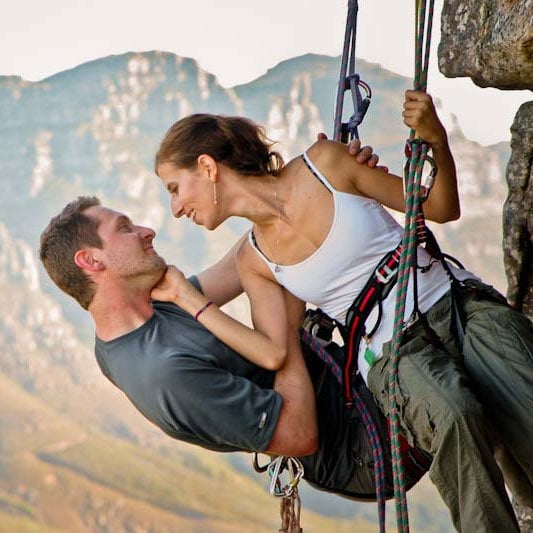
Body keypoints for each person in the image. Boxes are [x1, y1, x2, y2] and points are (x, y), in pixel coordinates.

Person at [154, 90, 533, 531]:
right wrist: (189, 301)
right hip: (394, 354)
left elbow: (441, 207)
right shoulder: (255, 263)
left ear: (206, 166)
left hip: (456, 302)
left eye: (175, 189)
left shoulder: (327, 163)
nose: (176, 208)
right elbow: (276, 353)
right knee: (452, 417)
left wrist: (436, 141)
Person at [38, 143, 417, 503]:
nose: (146, 231)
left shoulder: (149, 307)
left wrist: (310, 182)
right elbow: (298, 436)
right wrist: (280, 335)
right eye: (125, 228)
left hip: (349, 382)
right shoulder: (163, 374)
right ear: (91, 261)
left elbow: (241, 260)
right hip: (363, 446)